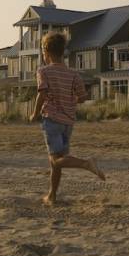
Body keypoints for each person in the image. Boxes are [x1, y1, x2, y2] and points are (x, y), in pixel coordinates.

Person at [30, 32, 105, 205]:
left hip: (52, 120)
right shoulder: (73, 74)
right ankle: (52, 196)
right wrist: (71, 99)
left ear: (46, 52)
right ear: (63, 51)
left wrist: (34, 113)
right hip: (68, 122)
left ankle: (87, 163)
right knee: (57, 162)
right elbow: (83, 97)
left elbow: (41, 94)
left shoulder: (43, 71)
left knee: (56, 160)